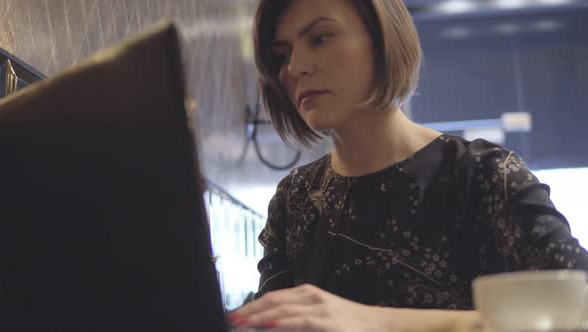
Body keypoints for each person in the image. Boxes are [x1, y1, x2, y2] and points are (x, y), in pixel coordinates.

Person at [229, 0, 588, 331]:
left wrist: (375, 320)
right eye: (282, 54)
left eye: (320, 39)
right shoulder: (295, 200)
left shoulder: (484, 176)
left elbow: (579, 311)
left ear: (383, 40)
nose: (294, 68)